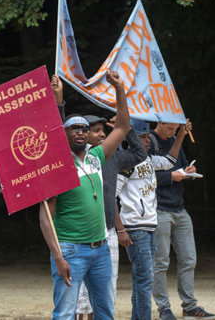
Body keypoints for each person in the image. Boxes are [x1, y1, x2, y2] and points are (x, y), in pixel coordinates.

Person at [39, 69, 130, 320]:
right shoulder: (57, 165)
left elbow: (122, 126)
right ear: (64, 134)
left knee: (105, 314)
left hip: (100, 249)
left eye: (84, 128)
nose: (80, 132)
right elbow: (45, 216)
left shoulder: (96, 156)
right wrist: (58, 256)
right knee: (65, 313)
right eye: (73, 128)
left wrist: (120, 90)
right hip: (71, 250)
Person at [74, 115, 148, 320]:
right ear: (83, 134)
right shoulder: (73, 157)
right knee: (81, 295)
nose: (102, 134)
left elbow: (139, 154)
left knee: (107, 289)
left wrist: (128, 130)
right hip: (82, 234)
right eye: (95, 130)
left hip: (108, 232)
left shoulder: (112, 156)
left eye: (103, 130)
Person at [116, 119, 188, 320]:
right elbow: (111, 195)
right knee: (145, 279)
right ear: (131, 139)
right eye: (142, 137)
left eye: (148, 136)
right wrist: (120, 229)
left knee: (141, 279)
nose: (148, 140)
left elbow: (170, 161)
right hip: (135, 227)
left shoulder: (149, 160)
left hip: (149, 225)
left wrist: (180, 135)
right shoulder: (126, 162)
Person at [150, 120, 215, 320]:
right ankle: (164, 309)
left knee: (189, 258)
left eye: (175, 129)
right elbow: (143, 177)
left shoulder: (174, 140)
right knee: (160, 262)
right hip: (159, 209)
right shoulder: (148, 141)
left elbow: (181, 165)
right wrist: (172, 176)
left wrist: (187, 172)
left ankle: (189, 306)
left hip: (179, 208)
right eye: (170, 128)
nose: (172, 132)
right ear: (159, 122)